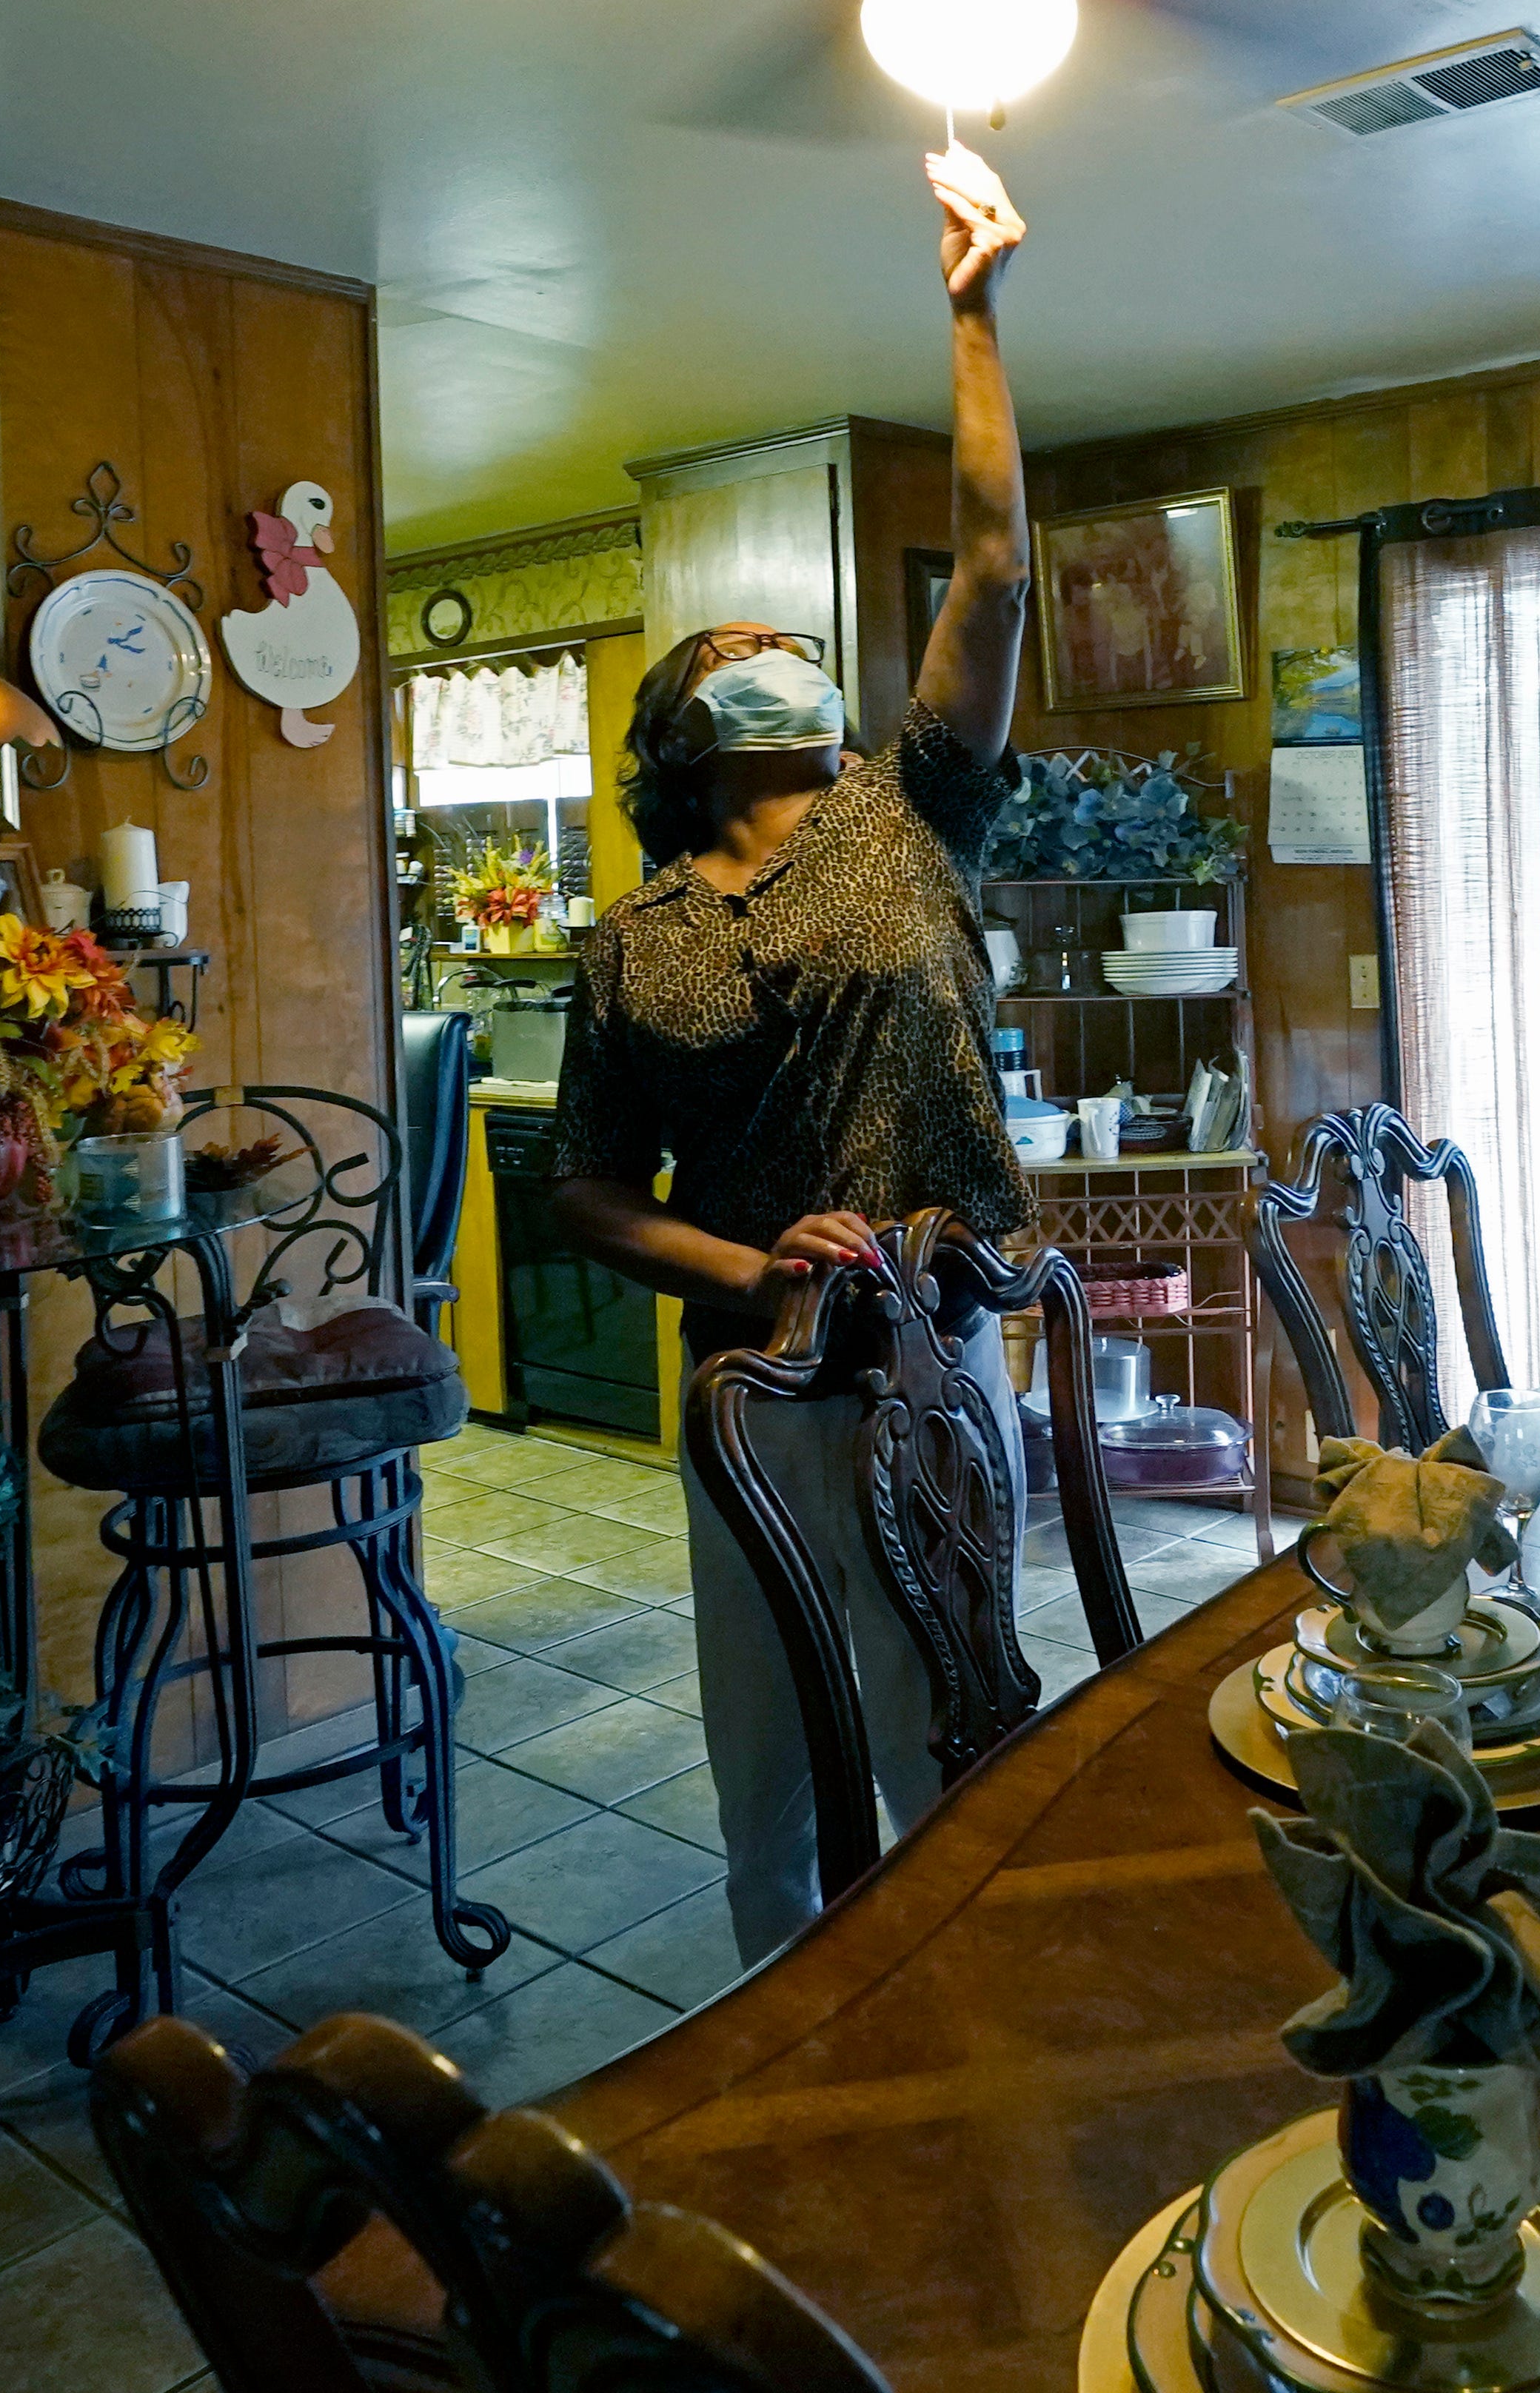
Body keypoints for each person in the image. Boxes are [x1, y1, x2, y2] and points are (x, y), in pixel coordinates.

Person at [540, 144, 1041, 1958]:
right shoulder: (631, 944)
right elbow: (587, 1189)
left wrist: (971, 310)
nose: (785, 659)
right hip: (748, 1386)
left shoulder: (910, 811)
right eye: (741, 651)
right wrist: (751, 1261)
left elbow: (994, 562)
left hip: (935, 1344)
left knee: (958, 1724)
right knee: (767, 1760)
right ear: (680, 733)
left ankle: (977, 2005)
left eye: (796, 645)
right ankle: (789, 2032)